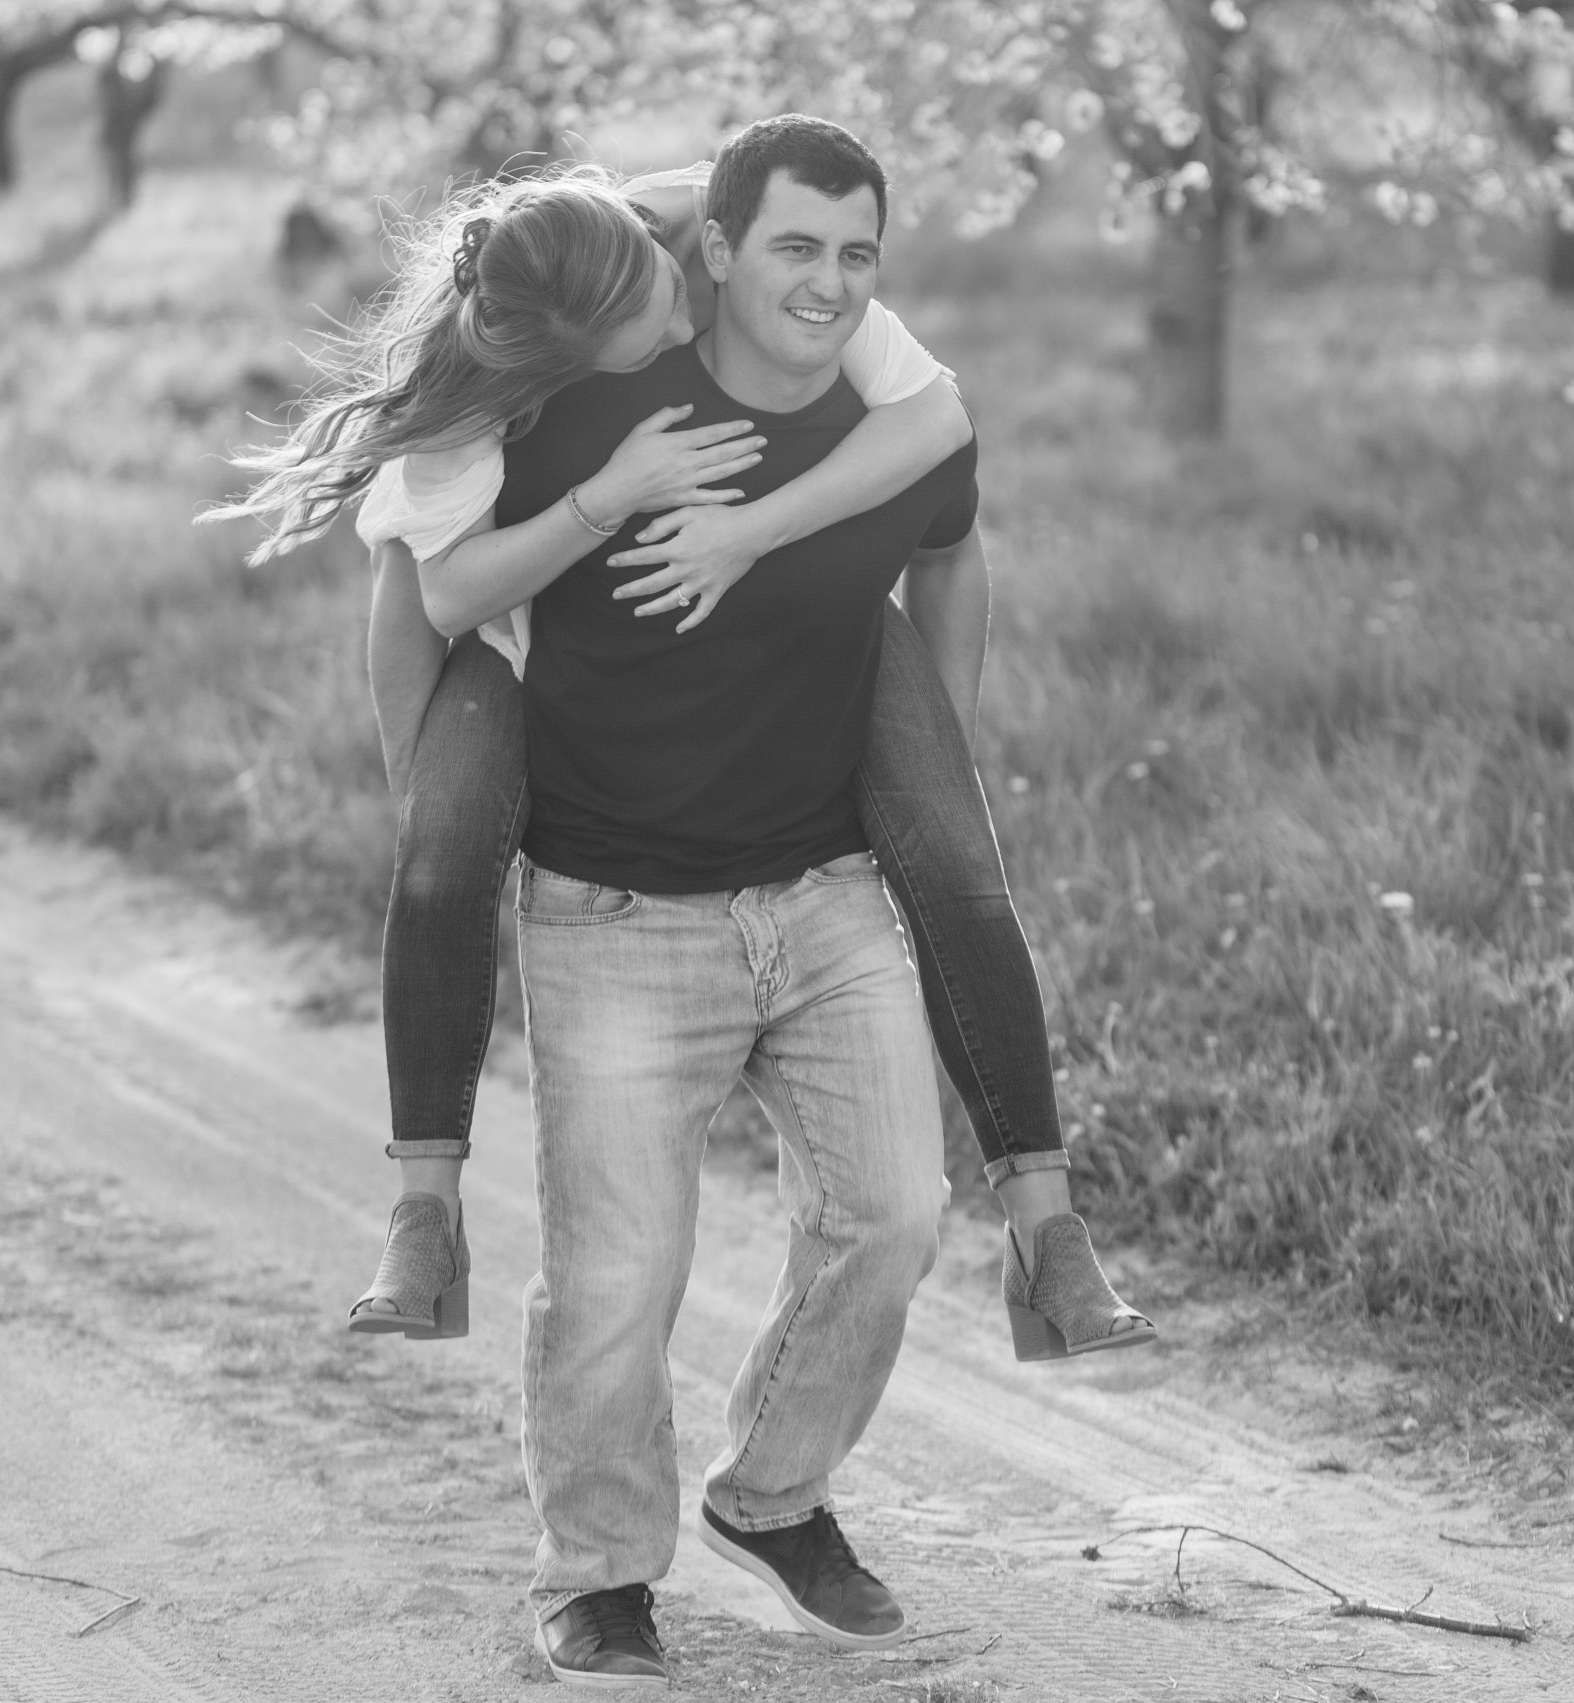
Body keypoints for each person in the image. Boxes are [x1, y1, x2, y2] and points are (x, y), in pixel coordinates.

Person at [219, 146, 1151, 1367]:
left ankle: (1048, 1228)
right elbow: (425, 601)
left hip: (796, 616)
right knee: (441, 861)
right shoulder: (489, 391)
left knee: (957, 851)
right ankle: (426, 1210)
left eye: (675, 287)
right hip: (502, 633)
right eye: (646, 326)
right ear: (562, 362)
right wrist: (423, 789)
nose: (679, 316)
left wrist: (918, 723)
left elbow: (936, 422)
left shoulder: (752, 241)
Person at [503, 115, 999, 1686]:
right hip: (613, 909)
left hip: (824, 888)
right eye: (796, 245)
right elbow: (448, 554)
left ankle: (773, 1495)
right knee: (620, 1271)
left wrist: (942, 753)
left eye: (859, 255)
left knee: (897, 1214)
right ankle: (596, 1574)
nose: (831, 283)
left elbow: (956, 547)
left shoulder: (887, 416)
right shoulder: (599, 400)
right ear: (715, 248)